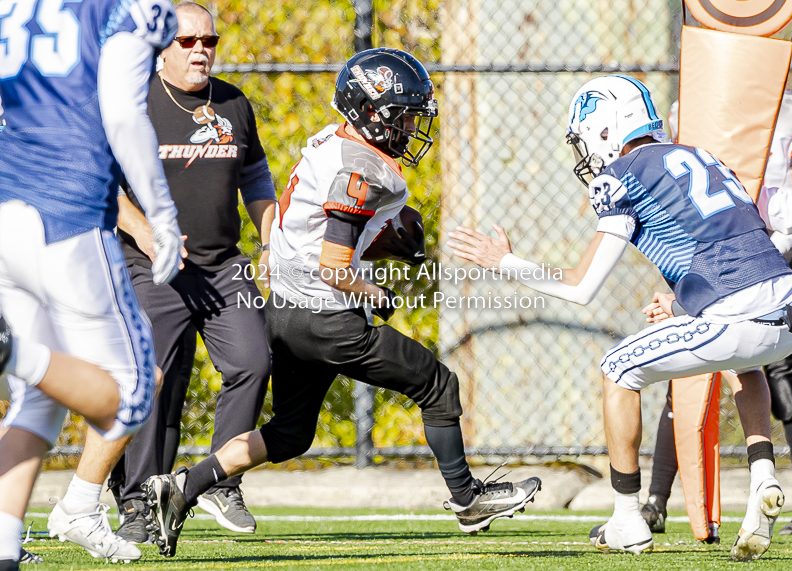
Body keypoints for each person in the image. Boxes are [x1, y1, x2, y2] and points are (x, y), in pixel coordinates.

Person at [143, 47, 542, 558]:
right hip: (326, 318)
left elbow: (322, 231)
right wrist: (375, 290)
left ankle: (182, 487)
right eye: (403, 115)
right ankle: (468, 501)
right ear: (369, 111)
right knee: (439, 385)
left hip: (285, 312)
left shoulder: (333, 141)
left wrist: (381, 237)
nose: (410, 126)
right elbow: (334, 263)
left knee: (290, 434)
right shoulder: (361, 169)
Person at [447, 75, 792, 561]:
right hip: (787, 311)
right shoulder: (701, 156)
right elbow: (735, 251)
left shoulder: (624, 175)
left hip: (737, 316)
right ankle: (763, 475)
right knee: (744, 360)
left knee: (618, 367)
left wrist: (506, 262)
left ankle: (628, 517)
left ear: (605, 129)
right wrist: (678, 305)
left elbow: (580, 285)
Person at [0, 0, 184, 566]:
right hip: (71, 217)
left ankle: (4, 543)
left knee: (39, 400)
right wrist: (161, 214)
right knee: (131, 390)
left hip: (7, 213)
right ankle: (10, 351)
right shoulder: (125, 9)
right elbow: (124, 116)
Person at [108, 1, 275, 542]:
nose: (201, 50)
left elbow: (256, 180)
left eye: (210, 41)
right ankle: (135, 502)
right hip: (151, 264)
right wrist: (146, 233)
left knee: (254, 359)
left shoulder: (233, 103)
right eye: (188, 42)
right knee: (151, 384)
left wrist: (271, 241)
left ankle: (216, 482)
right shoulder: (132, 102)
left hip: (224, 265)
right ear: (162, 49)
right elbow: (104, 188)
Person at [643, 92, 792, 537]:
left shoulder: (788, 107)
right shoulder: (695, 98)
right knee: (716, 373)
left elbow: (791, 211)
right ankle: (662, 497)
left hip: (765, 260)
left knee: (774, 376)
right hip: (726, 257)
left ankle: (635, 505)